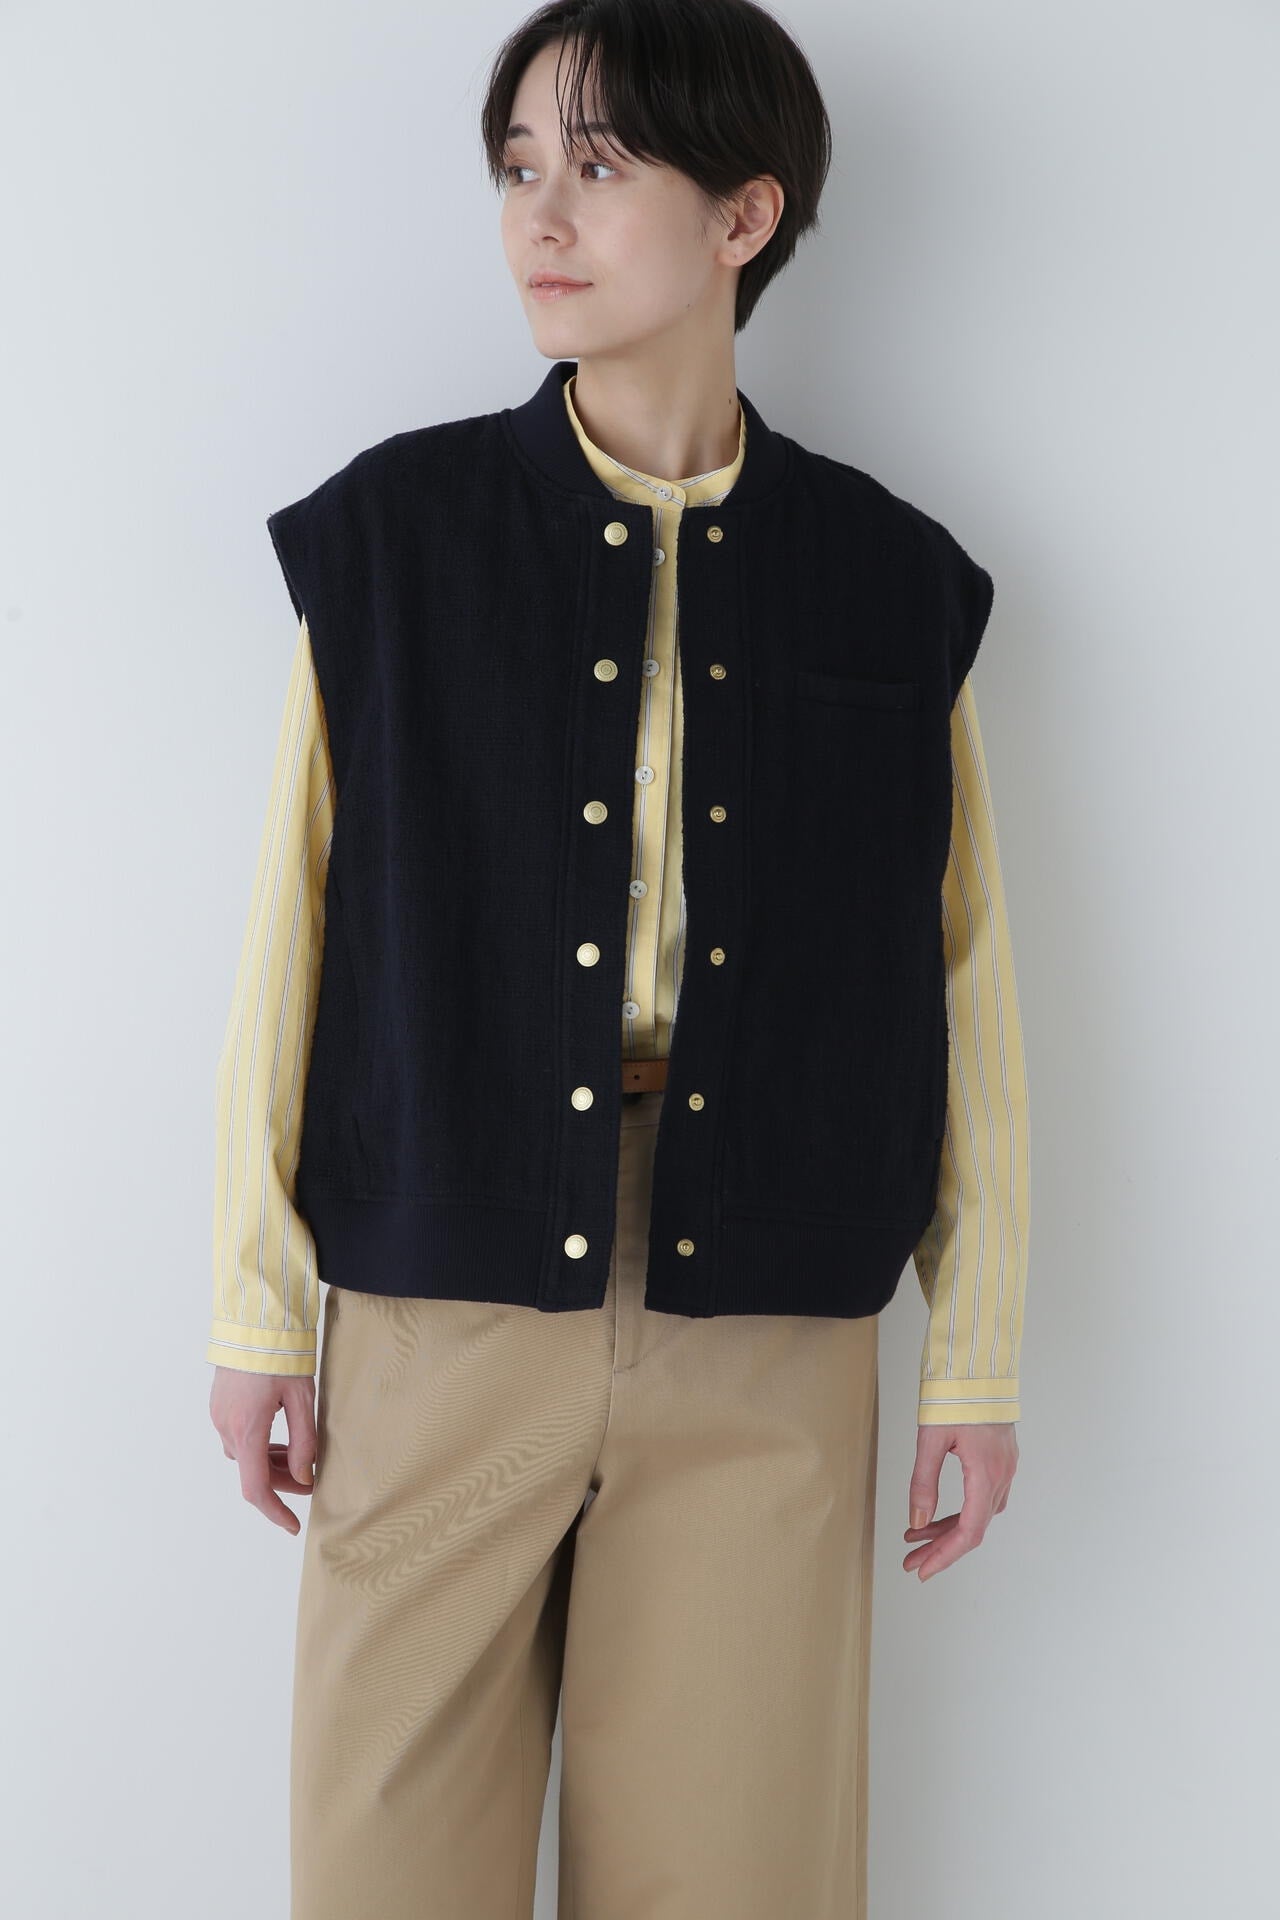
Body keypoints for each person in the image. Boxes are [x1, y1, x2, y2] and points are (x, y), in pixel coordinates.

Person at [207, 3, 1029, 1914]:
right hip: (439, 1307)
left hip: (772, 1324)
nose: (539, 216)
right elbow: (293, 932)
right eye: (517, 165)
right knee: (384, 1872)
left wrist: (974, 1360)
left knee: (736, 1878)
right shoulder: (395, 541)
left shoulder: (894, 581)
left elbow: (964, 977)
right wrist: (258, 1311)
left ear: (745, 215)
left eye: (597, 164)